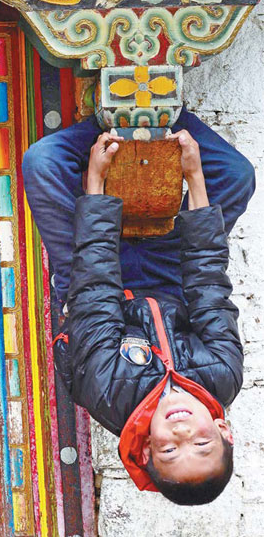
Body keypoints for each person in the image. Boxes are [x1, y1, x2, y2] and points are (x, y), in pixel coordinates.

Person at [23, 110, 256, 505]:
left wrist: (95, 182)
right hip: (170, 274)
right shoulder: (222, 376)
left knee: (43, 162)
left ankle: (107, 122)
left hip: (91, 274)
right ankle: (162, 113)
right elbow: (208, 284)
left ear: (146, 451)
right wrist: (194, 174)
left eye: (169, 451)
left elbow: (95, 290)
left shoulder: (109, 392)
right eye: (202, 443)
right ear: (223, 429)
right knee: (236, 174)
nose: (183, 435)